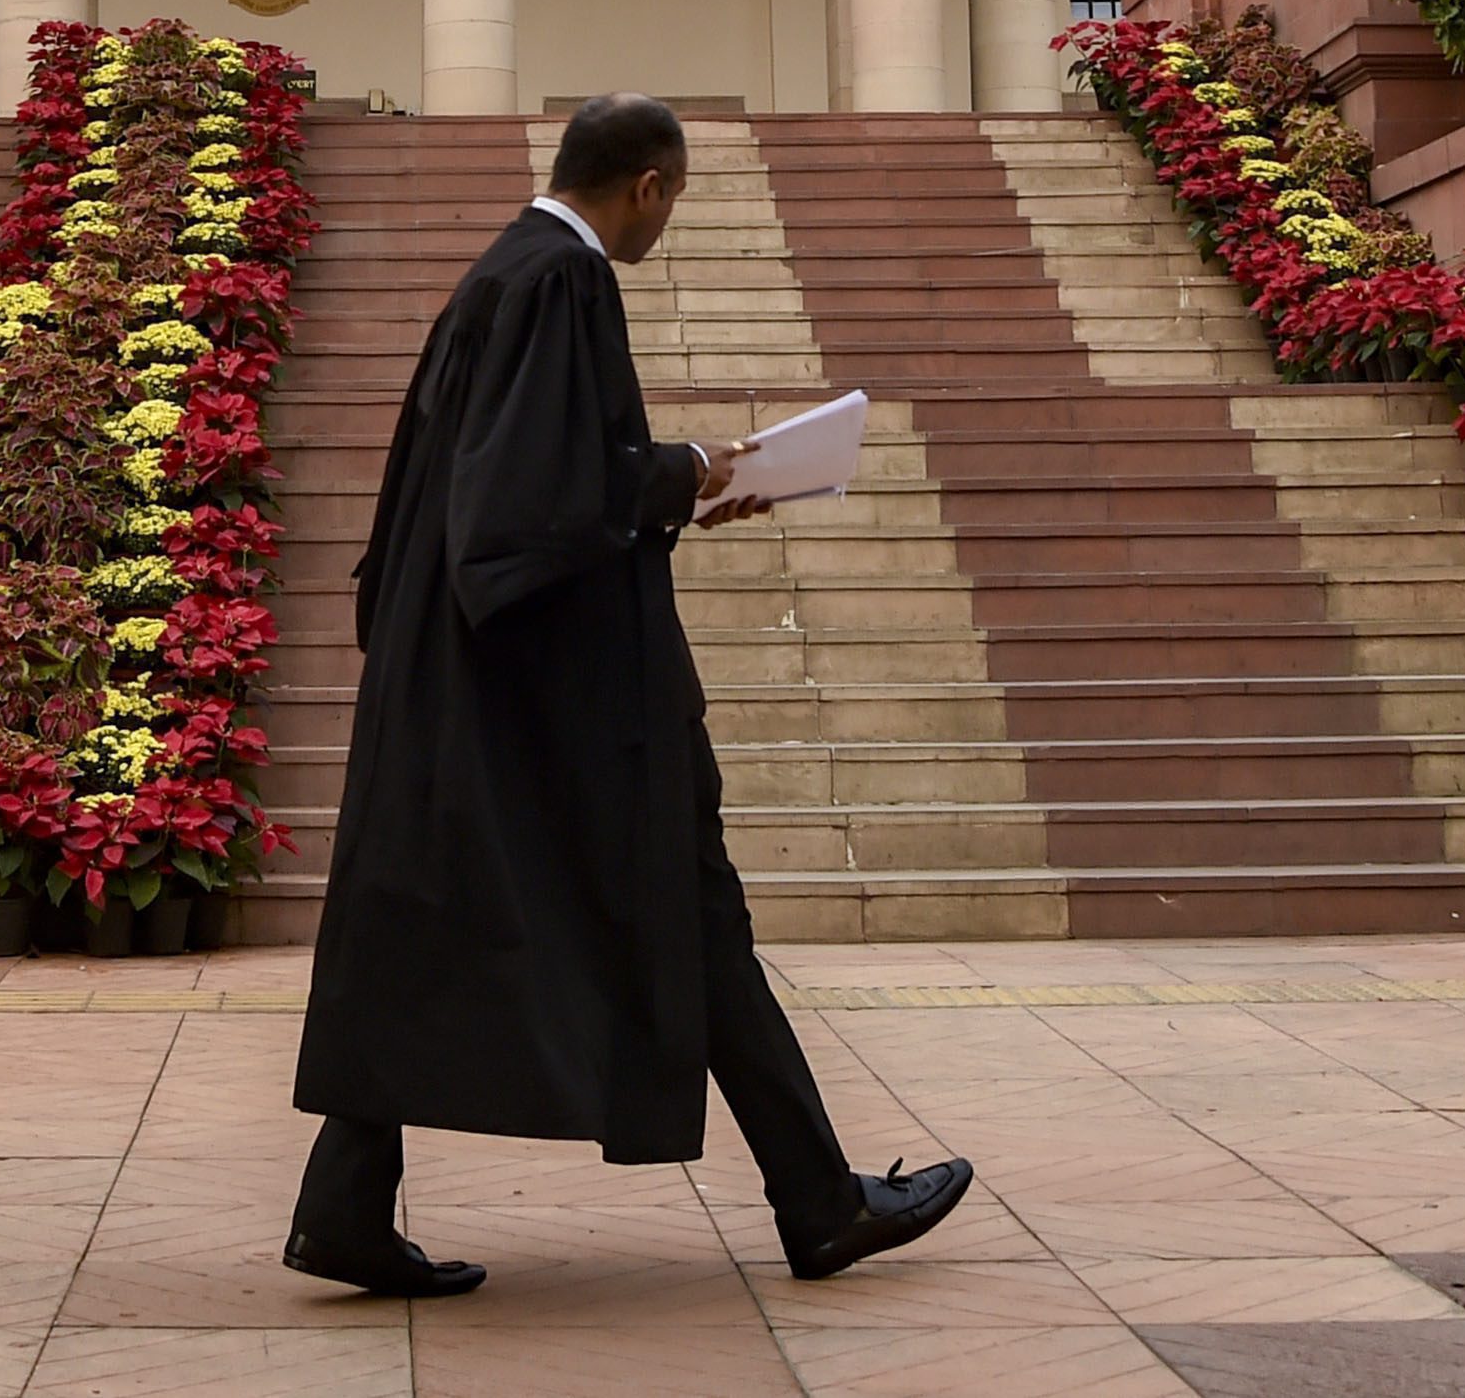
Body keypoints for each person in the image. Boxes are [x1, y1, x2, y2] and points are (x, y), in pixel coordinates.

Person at [289, 92, 972, 1296]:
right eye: (675, 201)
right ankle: (818, 1203)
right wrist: (688, 469)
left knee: (437, 929)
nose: (666, 223)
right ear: (649, 186)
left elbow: (519, 488)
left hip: (472, 677)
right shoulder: (565, 278)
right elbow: (527, 505)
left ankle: (348, 1208)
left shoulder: (500, 274)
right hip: (555, 702)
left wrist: (681, 492)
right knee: (685, 907)